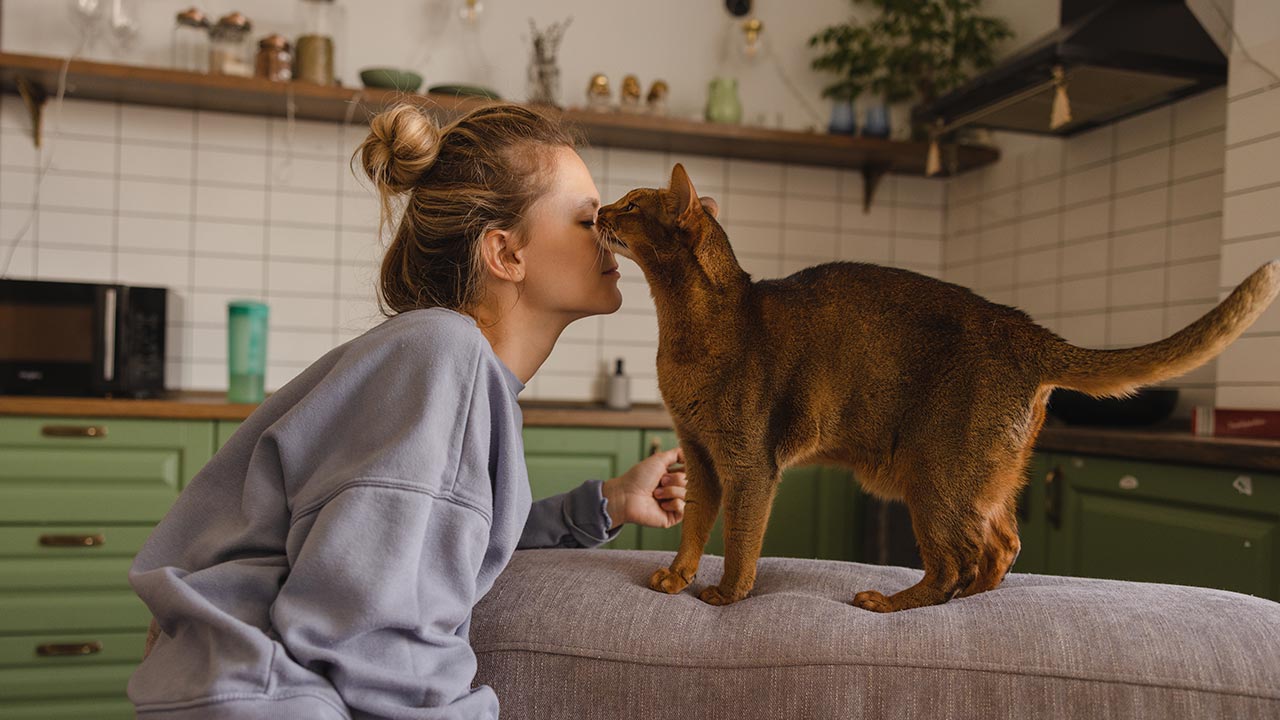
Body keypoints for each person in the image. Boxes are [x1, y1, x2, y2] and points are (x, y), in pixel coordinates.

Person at [128, 102, 687, 719]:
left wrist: (604, 504)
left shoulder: (449, 362)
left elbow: (419, 543)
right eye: (588, 220)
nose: (610, 231)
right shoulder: (443, 354)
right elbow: (370, 628)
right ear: (506, 254)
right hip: (269, 698)